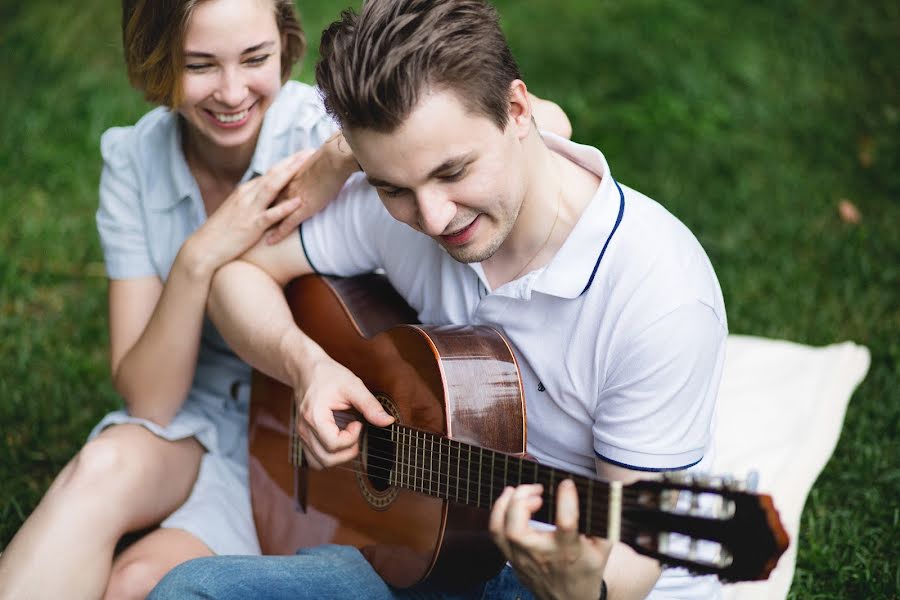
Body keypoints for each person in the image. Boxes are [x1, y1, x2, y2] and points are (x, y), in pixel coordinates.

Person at [148, 0, 727, 599]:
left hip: (547, 579)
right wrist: (309, 367)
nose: (432, 218)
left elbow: (637, 552)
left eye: (453, 173)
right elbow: (237, 275)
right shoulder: (402, 202)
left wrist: (584, 586)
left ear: (518, 109)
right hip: (410, 540)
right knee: (187, 591)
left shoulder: (660, 298)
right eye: (394, 188)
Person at [0, 1, 571, 597]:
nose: (231, 92)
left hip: (323, 454)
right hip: (199, 419)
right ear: (157, 59)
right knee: (99, 467)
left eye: (256, 59)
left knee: (136, 583)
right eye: (199, 65)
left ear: (284, 45)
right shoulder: (134, 159)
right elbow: (153, 403)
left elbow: (543, 125)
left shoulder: (321, 124)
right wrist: (202, 257)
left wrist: (339, 153)